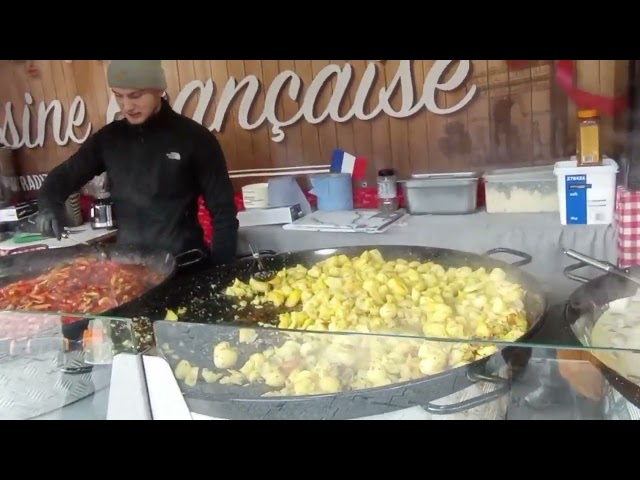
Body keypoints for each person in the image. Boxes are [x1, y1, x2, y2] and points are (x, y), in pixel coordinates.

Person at [36, 60, 239, 270]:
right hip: (131, 272)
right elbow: (62, 177)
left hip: (186, 267)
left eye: (135, 95)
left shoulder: (195, 138)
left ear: (159, 89)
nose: (127, 106)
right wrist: (48, 206)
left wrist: (222, 272)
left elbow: (223, 213)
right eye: (118, 95)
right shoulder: (109, 139)